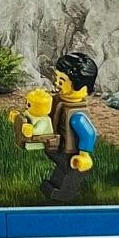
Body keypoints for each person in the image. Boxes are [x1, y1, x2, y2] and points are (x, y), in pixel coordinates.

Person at [42, 52, 98, 203]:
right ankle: (54, 186)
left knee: (71, 170)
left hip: (72, 154)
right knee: (63, 168)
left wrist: (84, 155)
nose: (57, 83)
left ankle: (64, 194)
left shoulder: (77, 115)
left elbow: (89, 134)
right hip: (59, 147)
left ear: (80, 86)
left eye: (62, 81)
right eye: (56, 78)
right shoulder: (59, 101)